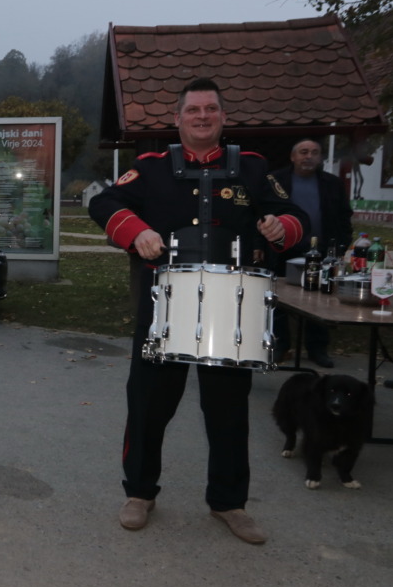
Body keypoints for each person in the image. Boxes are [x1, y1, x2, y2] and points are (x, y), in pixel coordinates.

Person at [89, 78, 308, 545]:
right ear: (179, 118)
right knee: (148, 406)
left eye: (211, 109)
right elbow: (104, 202)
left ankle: (229, 502)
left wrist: (278, 227)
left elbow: (296, 219)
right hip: (162, 305)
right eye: (194, 110)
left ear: (223, 118)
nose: (203, 116)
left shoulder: (251, 168)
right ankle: (139, 493)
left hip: (230, 315)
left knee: (228, 413)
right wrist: (135, 231)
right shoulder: (149, 168)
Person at [269, 138, 354, 367]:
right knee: (278, 298)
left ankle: (317, 348)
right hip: (283, 247)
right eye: (303, 152)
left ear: (320, 158)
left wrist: (342, 246)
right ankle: (281, 345)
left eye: (314, 152)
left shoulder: (332, 183)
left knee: (321, 298)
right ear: (293, 157)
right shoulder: (276, 180)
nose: (309, 156)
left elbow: (344, 216)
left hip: (322, 250)